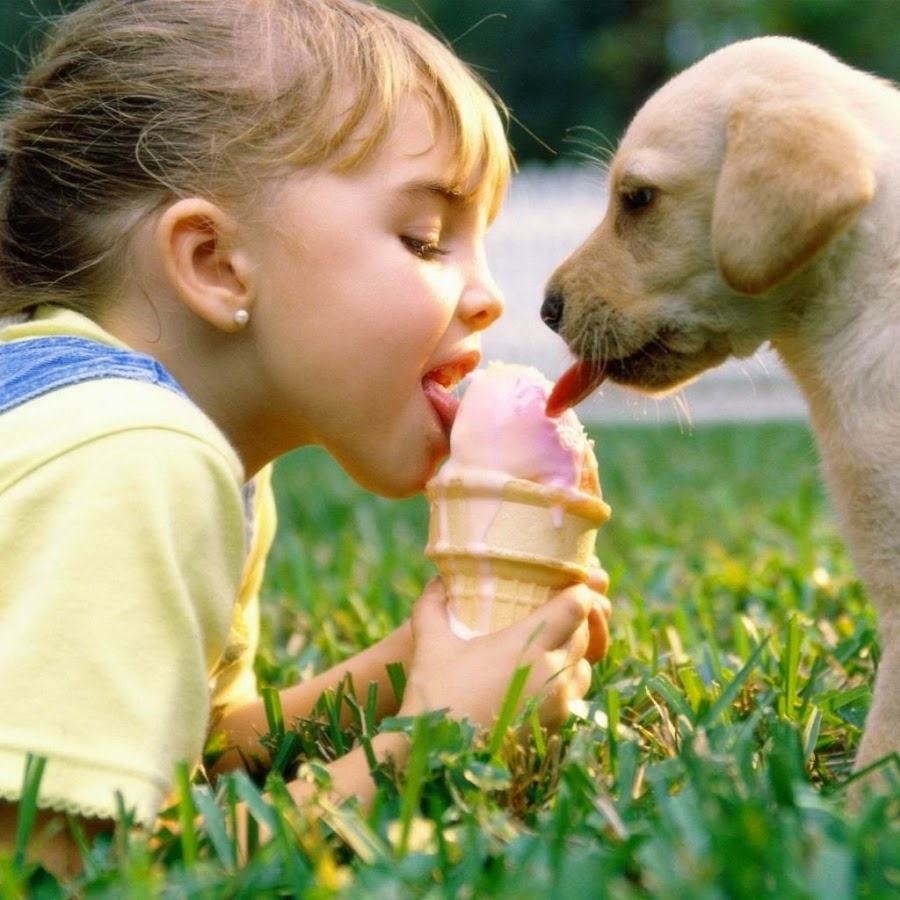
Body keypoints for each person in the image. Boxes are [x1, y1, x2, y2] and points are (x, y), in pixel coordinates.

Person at [0, 0, 611, 879]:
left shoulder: (183, 454)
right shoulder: (131, 456)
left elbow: (202, 761)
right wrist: (431, 743)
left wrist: (408, 668)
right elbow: (69, 872)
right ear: (213, 261)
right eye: (425, 238)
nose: (487, 296)